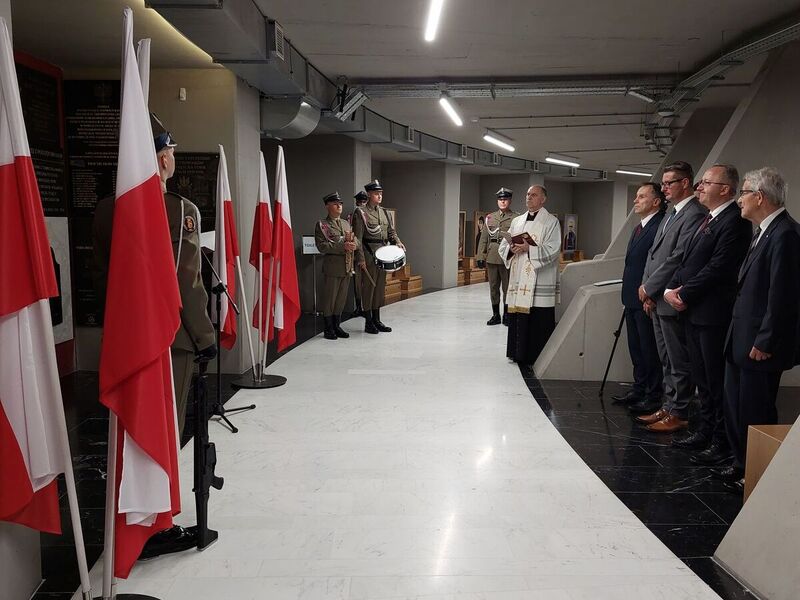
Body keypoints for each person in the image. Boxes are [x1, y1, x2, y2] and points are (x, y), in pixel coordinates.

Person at [92, 123, 216, 439]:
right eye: (171, 152)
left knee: (128, 428)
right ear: (163, 159)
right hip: (170, 336)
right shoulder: (179, 209)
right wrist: (204, 337)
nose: (172, 158)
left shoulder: (107, 209)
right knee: (163, 429)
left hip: (123, 334)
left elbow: (102, 273)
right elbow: (187, 280)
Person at [714, 167, 800, 491]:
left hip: (759, 344)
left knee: (756, 410)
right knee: (736, 408)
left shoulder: (786, 234)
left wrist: (766, 340)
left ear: (759, 197)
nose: (739, 201)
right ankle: (741, 464)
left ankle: (759, 473)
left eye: (743, 193)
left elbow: (784, 296)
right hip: (740, 339)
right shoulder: (763, 231)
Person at [659, 165, 751, 465]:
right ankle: (704, 431)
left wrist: (683, 293)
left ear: (725, 189)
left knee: (714, 381)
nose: (699, 187)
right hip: (694, 312)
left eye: (707, 183)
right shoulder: (709, 218)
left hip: (712, 314)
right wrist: (673, 287)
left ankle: (720, 441)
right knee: (701, 378)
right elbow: (689, 260)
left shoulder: (734, 222)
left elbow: (718, 267)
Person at [636, 161, 706, 433]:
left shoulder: (694, 214)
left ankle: (680, 412)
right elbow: (654, 254)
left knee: (678, 360)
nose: (663, 188)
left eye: (668, 183)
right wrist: (646, 288)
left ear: (685, 183)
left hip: (670, 297)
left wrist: (651, 288)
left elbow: (678, 259)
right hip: (656, 297)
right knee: (665, 358)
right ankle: (668, 405)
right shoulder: (671, 214)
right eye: (663, 183)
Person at [612, 183, 665, 408]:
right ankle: (639, 388)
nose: (636, 200)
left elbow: (659, 264)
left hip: (646, 298)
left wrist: (651, 293)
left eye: (641, 196)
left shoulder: (660, 227)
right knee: (636, 347)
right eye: (636, 196)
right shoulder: (639, 228)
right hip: (631, 298)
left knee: (649, 349)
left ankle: (653, 396)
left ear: (656, 201)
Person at [500, 185, 561, 364]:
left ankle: (536, 355)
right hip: (519, 278)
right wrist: (511, 248)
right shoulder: (517, 221)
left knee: (538, 320)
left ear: (543, 199)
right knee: (519, 317)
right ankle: (517, 352)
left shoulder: (551, 222)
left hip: (539, 280)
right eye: (527, 194)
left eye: (533, 195)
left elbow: (553, 249)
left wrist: (529, 249)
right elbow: (504, 246)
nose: (529, 197)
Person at [352, 179, 404, 334]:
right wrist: (360, 259)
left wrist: (398, 242)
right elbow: (358, 239)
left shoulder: (384, 212)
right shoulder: (361, 212)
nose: (379, 196)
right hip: (368, 254)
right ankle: (368, 322)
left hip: (383, 255)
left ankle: (377, 319)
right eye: (376, 193)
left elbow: (391, 232)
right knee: (369, 288)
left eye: (380, 193)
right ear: (369, 194)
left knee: (380, 288)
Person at [315, 191, 359, 340]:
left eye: (340, 203)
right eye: (335, 203)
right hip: (333, 267)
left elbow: (356, 239)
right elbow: (322, 246)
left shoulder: (346, 223)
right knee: (330, 299)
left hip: (346, 266)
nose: (339, 206)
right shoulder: (323, 225)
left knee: (341, 299)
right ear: (327, 206)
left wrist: (355, 245)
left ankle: (337, 325)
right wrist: (343, 247)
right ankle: (328, 328)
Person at [477, 187, 518, 325]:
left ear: (510, 201)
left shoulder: (516, 218)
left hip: (507, 256)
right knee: (493, 288)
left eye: (505, 199)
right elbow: (484, 238)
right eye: (500, 199)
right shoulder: (490, 217)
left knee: (507, 288)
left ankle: (507, 315)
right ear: (497, 201)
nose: (502, 202)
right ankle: (496, 315)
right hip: (492, 256)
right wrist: (480, 257)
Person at [348, 190, 368, 317]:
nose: (360, 204)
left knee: (365, 281)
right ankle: (359, 307)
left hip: (368, 251)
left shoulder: (369, 215)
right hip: (357, 252)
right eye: (359, 201)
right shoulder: (354, 215)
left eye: (363, 201)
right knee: (357, 281)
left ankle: (366, 308)